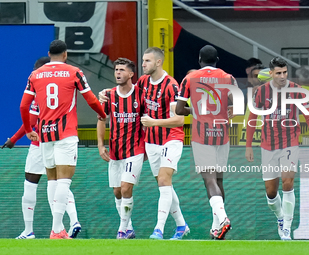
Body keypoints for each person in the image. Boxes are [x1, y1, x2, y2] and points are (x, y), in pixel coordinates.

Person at [20, 40, 106, 239]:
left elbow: (24, 107)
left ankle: (57, 229)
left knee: (52, 180)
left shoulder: (35, 75)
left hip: (44, 135)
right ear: (65, 54)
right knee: (64, 182)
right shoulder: (74, 72)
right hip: (65, 133)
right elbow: (91, 99)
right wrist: (102, 114)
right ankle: (57, 229)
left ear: (49, 53)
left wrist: (27, 130)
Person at [245, 57, 309, 240]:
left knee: (288, 184)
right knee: (271, 192)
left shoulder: (297, 91)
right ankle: (281, 218)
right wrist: (249, 146)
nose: (282, 76)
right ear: (271, 73)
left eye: (285, 73)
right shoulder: (261, 92)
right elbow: (252, 118)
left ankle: (286, 229)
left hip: (290, 143)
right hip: (267, 146)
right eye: (279, 73)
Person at [2, 56, 81, 239]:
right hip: (63, 140)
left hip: (41, 144)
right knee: (61, 184)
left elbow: (29, 122)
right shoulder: (65, 90)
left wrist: (13, 139)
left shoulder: (38, 94)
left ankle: (29, 230)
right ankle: (71, 221)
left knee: (31, 185)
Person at [176, 45, 234, 240]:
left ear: (200, 59)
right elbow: (234, 105)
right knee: (218, 180)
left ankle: (223, 218)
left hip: (202, 135)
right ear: (217, 59)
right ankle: (217, 227)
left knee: (208, 179)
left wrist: (195, 111)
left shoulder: (190, 79)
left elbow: (178, 109)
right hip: (222, 135)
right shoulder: (228, 77)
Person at [139, 47, 189, 240]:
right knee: (163, 184)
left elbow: (179, 120)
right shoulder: (143, 82)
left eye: (147, 61)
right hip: (151, 141)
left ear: (158, 62)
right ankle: (181, 225)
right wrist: (106, 94)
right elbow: (128, 94)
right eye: (143, 60)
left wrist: (154, 122)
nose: (143, 64)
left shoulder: (171, 86)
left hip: (171, 138)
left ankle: (158, 229)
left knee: (163, 180)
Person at [97, 58, 145, 239]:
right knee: (117, 191)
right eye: (116, 70)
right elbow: (101, 119)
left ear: (131, 74)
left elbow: (147, 123)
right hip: (115, 150)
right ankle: (129, 227)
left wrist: (147, 147)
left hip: (135, 149)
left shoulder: (141, 95)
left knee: (126, 188)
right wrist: (101, 145)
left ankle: (122, 230)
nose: (118, 73)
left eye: (122, 70)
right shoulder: (108, 95)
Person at [239, 64, 266, 146]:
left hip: (264, 143)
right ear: (250, 79)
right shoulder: (246, 94)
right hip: (246, 142)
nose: (259, 78)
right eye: (256, 76)